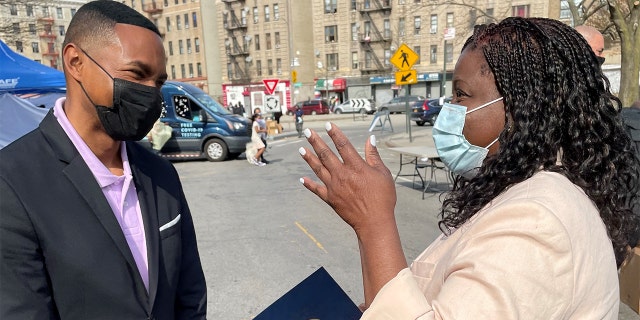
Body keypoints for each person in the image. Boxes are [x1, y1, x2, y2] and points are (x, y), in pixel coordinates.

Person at [298, 17, 639, 319]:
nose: (450, 110)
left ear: (522, 106)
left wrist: (373, 222)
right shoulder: (529, 191)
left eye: (461, 95)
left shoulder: (538, 221)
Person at [0, 1, 207, 319]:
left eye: (159, 82)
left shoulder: (160, 173)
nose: (151, 93)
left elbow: (190, 295)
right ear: (76, 62)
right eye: (137, 74)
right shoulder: (12, 182)